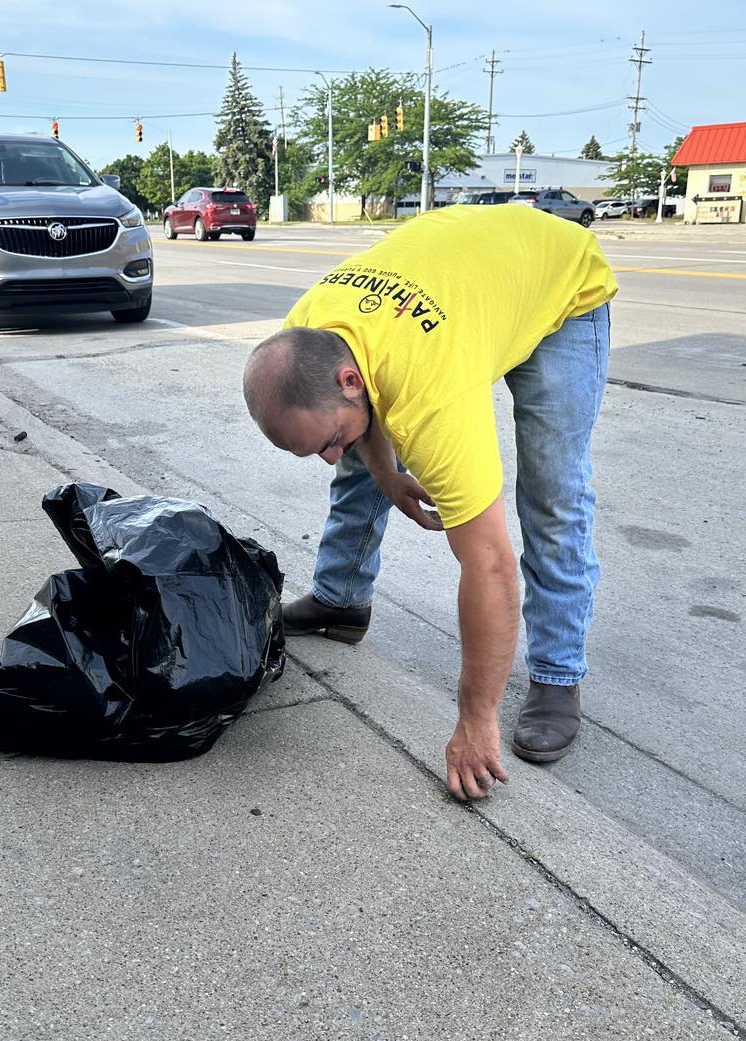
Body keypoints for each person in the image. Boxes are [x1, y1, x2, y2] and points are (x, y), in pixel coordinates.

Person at [241, 205, 617, 802]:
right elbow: (356, 427)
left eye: (328, 444)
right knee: (359, 451)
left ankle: (557, 675)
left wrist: (474, 719)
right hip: (464, 279)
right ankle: (341, 602)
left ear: (348, 379)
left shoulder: (430, 395)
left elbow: (489, 564)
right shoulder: (304, 337)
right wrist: (386, 473)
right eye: (313, 450)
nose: (329, 459)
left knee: (552, 496)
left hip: (557, 286)